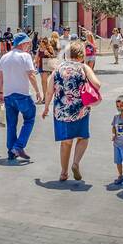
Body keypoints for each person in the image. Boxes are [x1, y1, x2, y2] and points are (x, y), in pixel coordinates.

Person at [42, 40, 100, 182]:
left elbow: (49, 91)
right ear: (82, 55)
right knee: (83, 137)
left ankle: (63, 172)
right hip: (80, 110)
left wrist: (46, 108)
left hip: (61, 111)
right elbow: (97, 84)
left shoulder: (58, 68)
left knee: (66, 142)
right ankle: (75, 163)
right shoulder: (84, 67)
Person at [0, 34, 40, 160]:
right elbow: (31, 75)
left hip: (8, 94)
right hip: (22, 94)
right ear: (22, 43)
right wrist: (38, 91)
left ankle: (11, 149)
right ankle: (18, 146)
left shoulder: (4, 57)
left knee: (11, 124)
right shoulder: (25, 56)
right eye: (27, 43)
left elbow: (0, 77)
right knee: (29, 119)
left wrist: (0, 93)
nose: (28, 46)